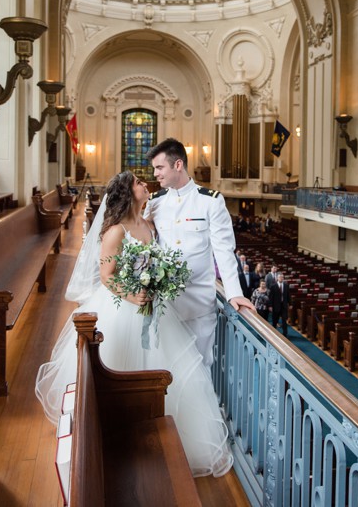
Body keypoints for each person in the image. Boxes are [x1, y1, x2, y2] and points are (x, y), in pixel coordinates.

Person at [35, 171, 233, 478]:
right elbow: (105, 275)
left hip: (156, 309)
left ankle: (159, 433)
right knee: (124, 366)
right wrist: (132, 295)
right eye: (140, 183)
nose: (146, 186)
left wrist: (159, 283)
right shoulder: (116, 231)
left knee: (164, 372)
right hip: (125, 309)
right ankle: (123, 437)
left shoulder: (149, 225)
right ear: (128, 192)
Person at [146, 138, 254, 367]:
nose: (155, 174)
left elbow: (224, 250)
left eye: (159, 167)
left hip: (199, 305)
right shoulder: (154, 203)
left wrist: (234, 292)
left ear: (178, 165)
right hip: (166, 305)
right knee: (166, 370)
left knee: (200, 367)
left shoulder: (210, 201)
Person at [269, 271, 292, 336]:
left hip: (284, 305)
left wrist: (290, 304)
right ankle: (273, 332)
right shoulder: (273, 286)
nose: (281, 278)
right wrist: (270, 306)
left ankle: (285, 333)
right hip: (275, 306)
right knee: (275, 320)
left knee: (284, 320)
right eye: (280, 277)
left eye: (282, 277)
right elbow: (271, 297)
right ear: (277, 278)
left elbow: (288, 295)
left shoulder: (286, 285)